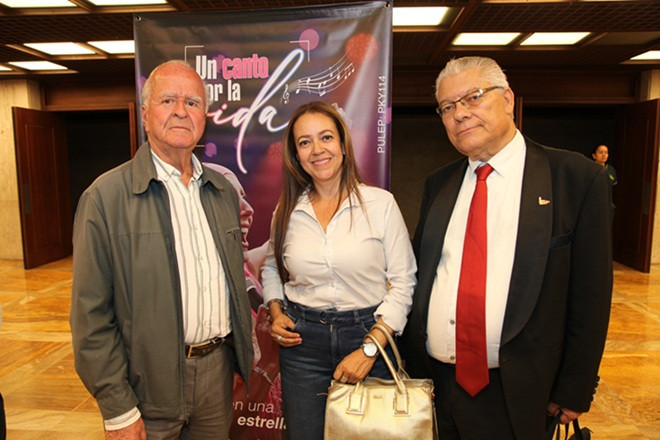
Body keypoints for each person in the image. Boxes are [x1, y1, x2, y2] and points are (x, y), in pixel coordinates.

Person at [402, 56, 613, 439]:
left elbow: (591, 297)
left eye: (473, 97)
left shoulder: (575, 178)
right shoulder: (439, 183)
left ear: (508, 99)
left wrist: (575, 387)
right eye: (447, 107)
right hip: (434, 387)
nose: (459, 114)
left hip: (522, 391)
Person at [70, 59, 253, 440]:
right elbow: (90, 316)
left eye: (193, 102)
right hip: (145, 386)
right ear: (145, 113)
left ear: (204, 116)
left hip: (216, 379)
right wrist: (118, 407)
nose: (181, 111)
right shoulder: (105, 198)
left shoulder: (221, 192)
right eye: (168, 100)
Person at [261, 101, 417, 439]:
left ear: (343, 145)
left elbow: (404, 282)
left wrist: (370, 349)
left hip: (369, 335)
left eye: (326, 137)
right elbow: (272, 267)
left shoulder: (380, 204)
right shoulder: (287, 210)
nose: (317, 149)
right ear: (296, 156)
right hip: (302, 346)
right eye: (305, 142)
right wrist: (275, 310)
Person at [203, 162, 283, 439]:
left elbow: (279, 242)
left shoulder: (246, 266)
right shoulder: (200, 297)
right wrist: (268, 365)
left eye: (244, 197)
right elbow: (224, 422)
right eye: (232, 199)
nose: (248, 209)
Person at [592, 143, 617, 223]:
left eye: (606, 152)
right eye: (601, 152)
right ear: (594, 155)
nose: (604, 155)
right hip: (593, 205)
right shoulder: (590, 168)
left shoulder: (611, 170)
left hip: (607, 205)